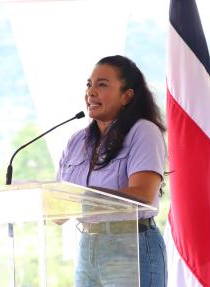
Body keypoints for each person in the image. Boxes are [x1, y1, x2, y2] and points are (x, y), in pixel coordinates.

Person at [57, 55, 167, 286]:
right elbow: (58, 208)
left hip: (130, 244)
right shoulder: (76, 142)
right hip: (88, 245)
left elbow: (144, 195)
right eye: (89, 84)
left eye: (102, 84)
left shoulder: (143, 132)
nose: (91, 91)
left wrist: (88, 197)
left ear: (126, 96)